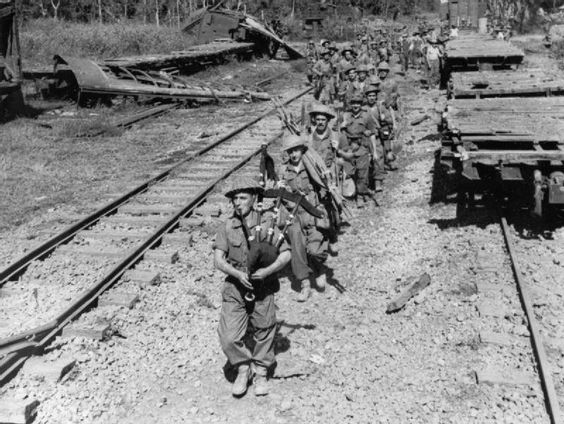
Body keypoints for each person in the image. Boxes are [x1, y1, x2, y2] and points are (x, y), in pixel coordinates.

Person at [214, 178, 291, 397]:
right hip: (235, 286)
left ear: (254, 198)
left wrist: (267, 272)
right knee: (228, 336)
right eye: (235, 199)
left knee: (264, 329)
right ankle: (242, 367)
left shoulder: (267, 225)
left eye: (243, 198)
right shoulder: (228, 226)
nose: (238, 203)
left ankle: (261, 372)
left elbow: (286, 254)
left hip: (262, 285)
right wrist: (237, 273)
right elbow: (218, 259)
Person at [279, 135, 330, 302]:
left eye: (296, 150)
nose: (293, 154)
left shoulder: (311, 166)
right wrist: (283, 192)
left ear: (302, 150)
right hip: (294, 214)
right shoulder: (283, 171)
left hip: (312, 212)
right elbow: (279, 195)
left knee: (315, 250)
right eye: (290, 151)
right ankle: (305, 284)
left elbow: (323, 188)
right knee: (297, 246)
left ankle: (319, 267)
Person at [340, 94, 379, 203]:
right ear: (350, 104)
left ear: (361, 105)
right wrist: (341, 126)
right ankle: (357, 191)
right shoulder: (345, 116)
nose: (355, 105)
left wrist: (374, 151)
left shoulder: (367, 116)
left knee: (363, 173)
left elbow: (372, 134)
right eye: (353, 103)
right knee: (350, 172)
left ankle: (360, 196)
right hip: (348, 148)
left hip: (362, 147)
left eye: (358, 103)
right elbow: (339, 133)